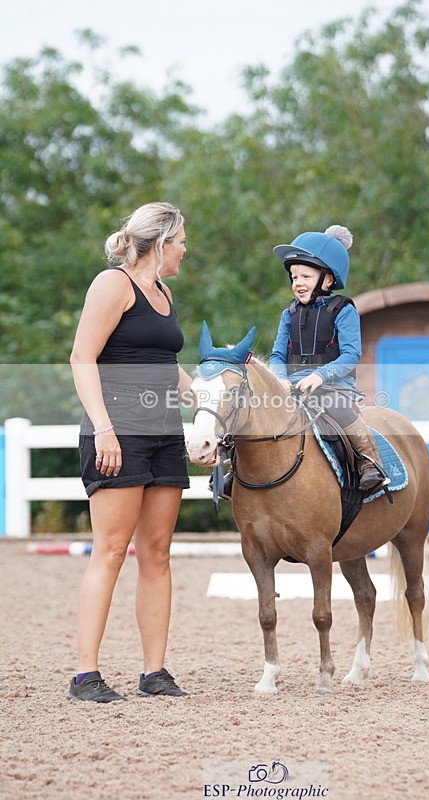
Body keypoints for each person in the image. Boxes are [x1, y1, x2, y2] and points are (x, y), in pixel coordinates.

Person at [69, 201, 192, 702]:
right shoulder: (112, 285)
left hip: (165, 433)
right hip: (118, 431)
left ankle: (154, 673)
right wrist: (103, 429)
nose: (184, 250)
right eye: (180, 241)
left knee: (157, 552)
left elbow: (163, 362)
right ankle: (85, 675)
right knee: (112, 550)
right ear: (161, 243)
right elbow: (82, 357)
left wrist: (206, 398)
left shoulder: (163, 292)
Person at [269, 225, 385, 491]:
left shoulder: (343, 310)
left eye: (306, 276)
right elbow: (277, 354)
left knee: (335, 405)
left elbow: (351, 355)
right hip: (292, 387)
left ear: (328, 280)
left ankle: (369, 461)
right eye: (294, 277)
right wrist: (279, 378)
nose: (298, 283)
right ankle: (236, 470)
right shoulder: (288, 314)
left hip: (333, 386)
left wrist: (320, 375)